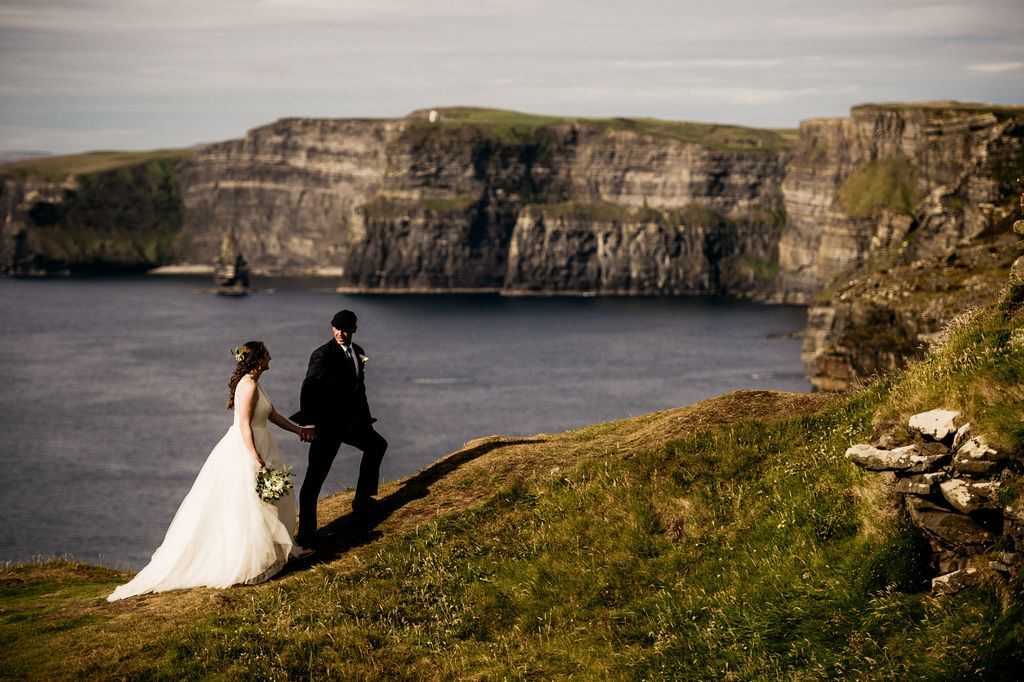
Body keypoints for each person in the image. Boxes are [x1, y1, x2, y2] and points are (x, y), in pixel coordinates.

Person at [107, 341, 315, 602]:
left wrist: (299, 430)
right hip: (248, 447)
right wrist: (255, 458)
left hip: (262, 443)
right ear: (259, 360)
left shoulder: (255, 383)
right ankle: (250, 561)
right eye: (267, 353)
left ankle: (280, 551)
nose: (271, 355)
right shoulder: (248, 386)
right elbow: (244, 426)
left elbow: (272, 415)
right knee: (253, 504)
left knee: (271, 499)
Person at [291, 309, 387, 547]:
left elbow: (359, 390)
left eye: (345, 329)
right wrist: (310, 423)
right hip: (327, 426)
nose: (340, 333)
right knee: (315, 478)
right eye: (336, 328)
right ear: (331, 327)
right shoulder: (322, 355)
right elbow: (308, 388)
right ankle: (306, 534)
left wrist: (365, 419)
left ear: (354, 330)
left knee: (377, 445)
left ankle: (362, 501)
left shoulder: (358, 352)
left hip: (353, 423)